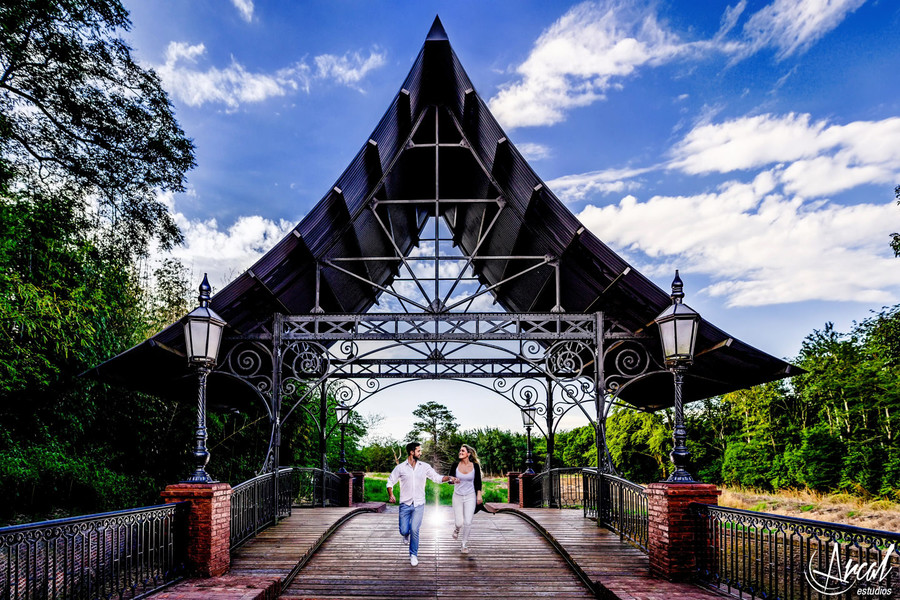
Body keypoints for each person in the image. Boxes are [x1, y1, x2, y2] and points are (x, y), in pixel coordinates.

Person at [386, 441, 456, 566]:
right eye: (418, 450)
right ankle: (405, 535)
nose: (421, 452)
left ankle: (413, 554)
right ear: (412, 452)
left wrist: (449, 478)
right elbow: (390, 482)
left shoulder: (424, 467)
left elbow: (437, 478)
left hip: (419, 504)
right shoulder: (400, 468)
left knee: (415, 529)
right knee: (404, 530)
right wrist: (391, 495)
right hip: (404, 504)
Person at [447, 443, 493, 554]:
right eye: (460, 451)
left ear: (468, 454)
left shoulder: (475, 466)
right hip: (457, 496)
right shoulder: (455, 465)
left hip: (470, 496)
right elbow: (450, 479)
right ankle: (457, 529)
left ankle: (464, 544)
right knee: (459, 522)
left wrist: (479, 495)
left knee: (468, 521)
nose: (460, 452)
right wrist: (453, 480)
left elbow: (478, 481)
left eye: (462, 451)